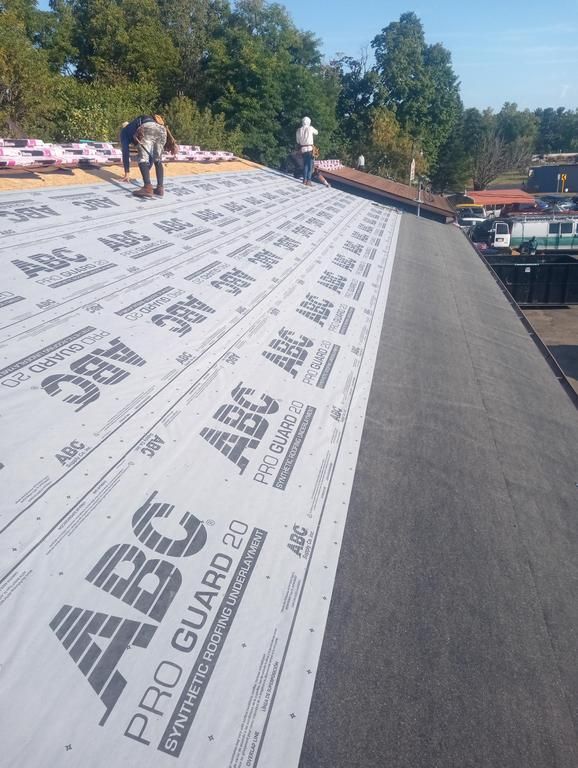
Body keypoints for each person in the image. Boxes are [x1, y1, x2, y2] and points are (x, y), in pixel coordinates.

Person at [120, 115, 170, 198]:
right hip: (161, 129)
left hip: (147, 128)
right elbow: (150, 156)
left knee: (142, 158)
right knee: (157, 159)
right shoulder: (133, 127)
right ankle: (160, 188)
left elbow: (125, 151)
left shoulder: (124, 132)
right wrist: (147, 170)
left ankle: (147, 187)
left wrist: (127, 173)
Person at [296, 116, 318, 186]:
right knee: (310, 166)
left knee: (305, 165)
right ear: (309, 122)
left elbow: (298, 141)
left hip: (303, 149)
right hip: (310, 149)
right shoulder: (310, 128)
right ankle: (309, 181)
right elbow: (317, 132)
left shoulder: (299, 130)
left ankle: (304, 180)